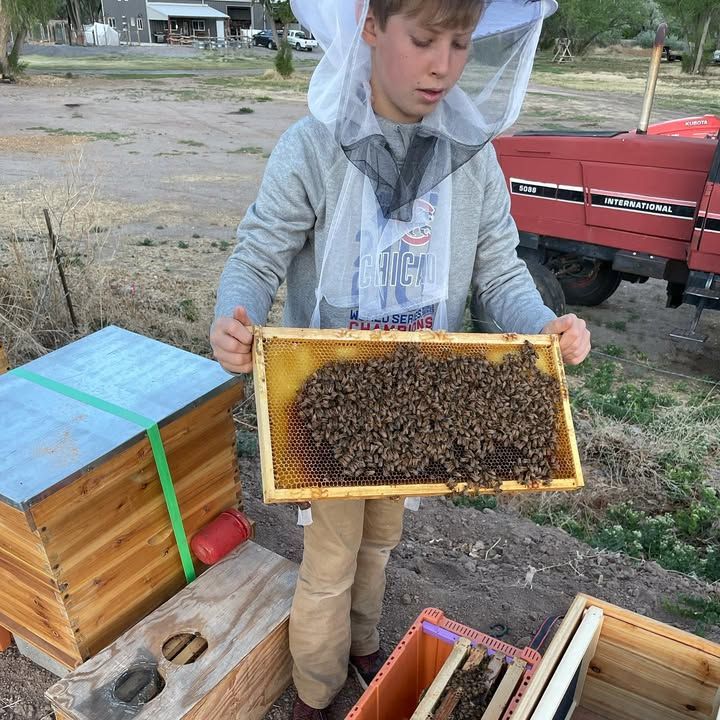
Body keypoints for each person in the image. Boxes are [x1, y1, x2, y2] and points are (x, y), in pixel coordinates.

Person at [210, 0, 590, 717]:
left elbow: (500, 274)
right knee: (330, 558)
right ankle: (318, 690)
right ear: (371, 27)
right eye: (423, 39)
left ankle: (361, 642)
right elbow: (258, 255)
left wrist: (547, 324)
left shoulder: (473, 161)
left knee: (381, 538)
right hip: (331, 399)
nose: (443, 64)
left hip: (421, 400)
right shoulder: (315, 146)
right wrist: (233, 318)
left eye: (460, 43)